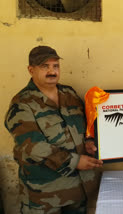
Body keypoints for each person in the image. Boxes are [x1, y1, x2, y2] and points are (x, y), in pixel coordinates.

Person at [4, 46, 103, 213]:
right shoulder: (22, 104)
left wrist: (89, 141)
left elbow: (86, 126)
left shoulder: (69, 94)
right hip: (45, 196)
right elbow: (33, 146)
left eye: (55, 66)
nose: (52, 71)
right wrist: (75, 161)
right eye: (45, 66)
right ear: (31, 70)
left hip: (81, 191)